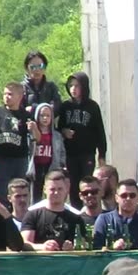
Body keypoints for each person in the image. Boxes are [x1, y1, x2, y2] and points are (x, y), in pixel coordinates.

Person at [0, 83, 36, 202]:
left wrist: (34, 128)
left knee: (19, 190)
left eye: (10, 94)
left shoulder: (25, 115)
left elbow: (37, 138)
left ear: (20, 96)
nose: (7, 96)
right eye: (5, 94)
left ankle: (19, 215)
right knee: (2, 192)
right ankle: (3, 217)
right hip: (1, 159)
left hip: (20, 160)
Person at [59, 72, 106, 206]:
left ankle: (90, 209)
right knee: (73, 185)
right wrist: (64, 131)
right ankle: (76, 211)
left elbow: (100, 131)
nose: (73, 89)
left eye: (77, 86)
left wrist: (102, 154)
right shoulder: (65, 106)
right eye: (71, 86)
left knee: (87, 183)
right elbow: (58, 127)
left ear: (84, 87)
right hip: (70, 154)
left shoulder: (92, 107)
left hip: (87, 154)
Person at [20, 171, 84, 251]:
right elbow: (24, 244)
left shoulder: (76, 218)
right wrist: (42, 247)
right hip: (40, 261)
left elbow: (84, 246)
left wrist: (73, 248)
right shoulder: (32, 215)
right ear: (44, 190)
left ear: (66, 189)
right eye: (52, 189)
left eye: (60, 189)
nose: (56, 192)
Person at [92, 179, 138, 251]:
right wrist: (111, 247)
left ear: (137, 198)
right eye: (124, 195)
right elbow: (96, 248)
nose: (128, 199)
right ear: (116, 198)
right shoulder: (104, 220)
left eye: (132, 195)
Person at [28, 103, 65, 202]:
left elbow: (61, 152)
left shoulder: (57, 135)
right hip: (36, 167)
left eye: (48, 115)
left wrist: (62, 165)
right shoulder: (30, 134)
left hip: (51, 167)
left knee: (51, 191)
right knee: (35, 194)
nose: (45, 118)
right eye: (42, 115)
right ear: (37, 116)